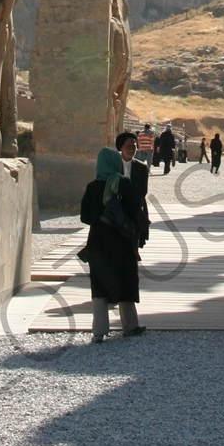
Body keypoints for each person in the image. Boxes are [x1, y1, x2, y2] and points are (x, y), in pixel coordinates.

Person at [79, 133, 151, 342]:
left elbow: (85, 217)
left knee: (99, 286)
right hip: (121, 241)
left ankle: (99, 331)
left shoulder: (92, 187)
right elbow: (133, 210)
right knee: (126, 282)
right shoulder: (124, 184)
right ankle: (129, 326)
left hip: (98, 243)